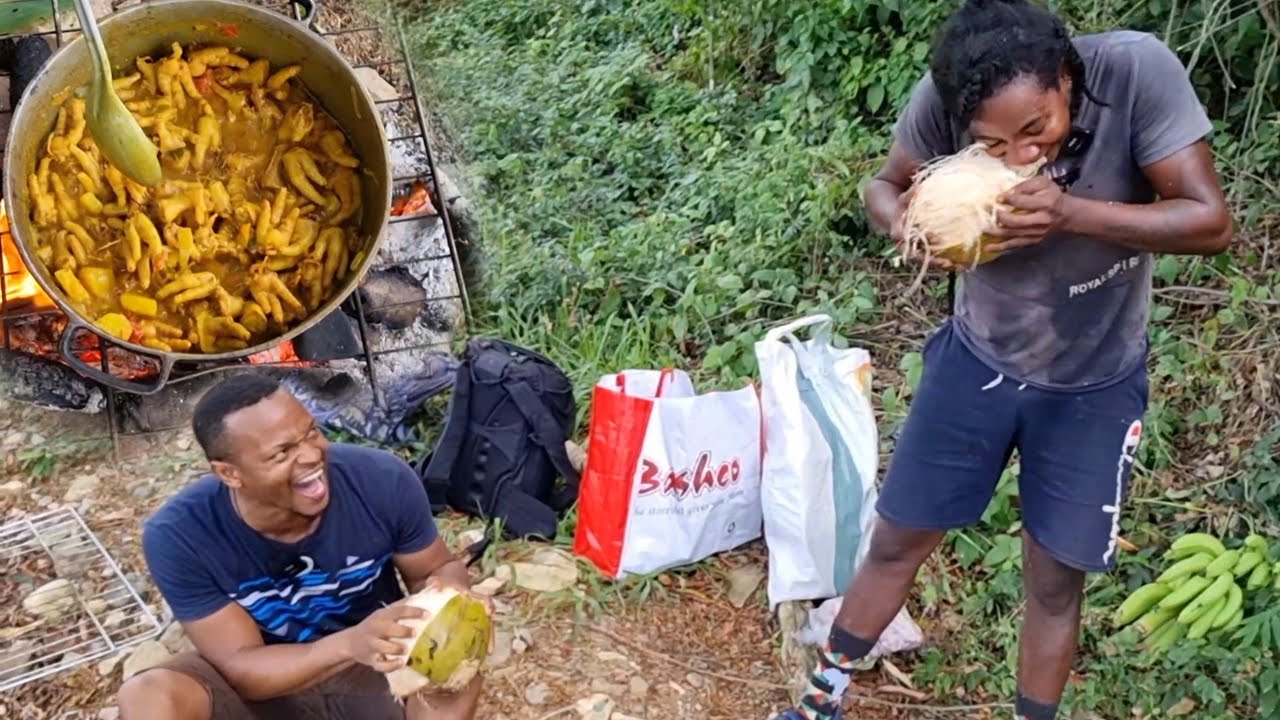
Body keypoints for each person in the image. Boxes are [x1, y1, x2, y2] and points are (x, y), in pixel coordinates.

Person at [771, 1, 1232, 719]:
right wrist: (910, 226)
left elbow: (1209, 221)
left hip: (1094, 383)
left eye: (1036, 129)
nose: (1022, 156)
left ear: (1068, 79)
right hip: (976, 361)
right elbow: (882, 186)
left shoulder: (1136, 71)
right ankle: (821, 696)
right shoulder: (947, 93)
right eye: (993, 143)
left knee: (1053, 583)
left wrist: (1072, 213)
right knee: (899, 536)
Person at [117, 372, 484, 720]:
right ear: (229, 473)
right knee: (150, 693)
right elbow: (242, 667)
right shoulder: (180, 535)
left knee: (458, 673)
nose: (311, 456)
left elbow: (433, 569)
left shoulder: (380, 478)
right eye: (282, 453)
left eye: (312, 433)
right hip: (271, 679)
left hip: (371, 669)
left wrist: (451, 596)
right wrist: (348, 642)